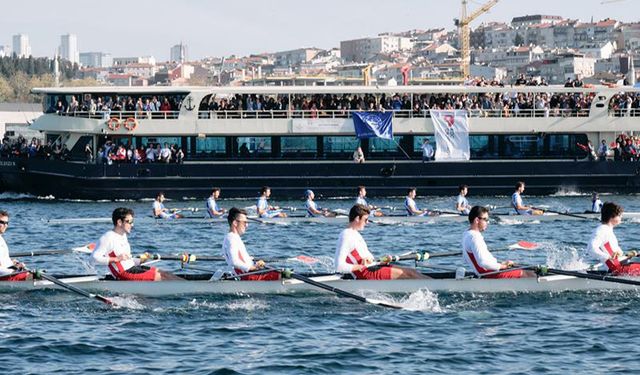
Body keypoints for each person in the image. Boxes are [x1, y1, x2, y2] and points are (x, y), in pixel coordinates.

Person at [334, 204, 427, 280]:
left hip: (373, 268)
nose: (367, 223)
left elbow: (367, 259)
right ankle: (435, 287)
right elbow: (339, 266)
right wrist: (361, 266)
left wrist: (380, 261)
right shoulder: (345, 235)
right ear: (357, 218)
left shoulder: (355, 234)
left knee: (412, 272)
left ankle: (436, 284)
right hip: (366, 274)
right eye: (365, 220)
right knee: (409, 274)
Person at [92, 207, 179, 281]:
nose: (132, 225)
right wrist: (115, 259)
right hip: (123, 274)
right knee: (161, 277)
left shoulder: (123, 235)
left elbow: (126, 261)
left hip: (132, 268)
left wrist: (140, 260)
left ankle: (188, 287)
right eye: (129, 222)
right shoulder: (108, 237)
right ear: (119, 222)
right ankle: (186, 288)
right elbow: (94, 258)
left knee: (163, 273)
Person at [462, 206, 536, 278]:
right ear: (477, 220)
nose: (487, 222)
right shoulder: (475, 237)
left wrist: (500, 264)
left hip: (486, 271)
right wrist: (502, 266)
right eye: (486, 219)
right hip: (490, 273)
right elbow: (483, 262)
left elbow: (466, 259)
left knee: (523, 267)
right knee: (529, 274)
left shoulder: (466, 233)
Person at [222, 207, 281, 280]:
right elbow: (234, 261)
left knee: (280, 271)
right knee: (282, 275)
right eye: (244, 222)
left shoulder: (234, 237)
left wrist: (256, 264)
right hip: (246, 276)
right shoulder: (231, 238)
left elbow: (241, 260)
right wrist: (252, 267)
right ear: (235, 223)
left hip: (247, 273)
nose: (247, 225)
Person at [587, 202, 640, 276]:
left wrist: (630, 254)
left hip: (620, 265)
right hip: (616, 268)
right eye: (619, 215)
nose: (621, 217)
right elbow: (591, 249)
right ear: (612, 216)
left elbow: (616, 254)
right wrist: (608, 257)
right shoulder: (602, 230)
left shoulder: (608, 230)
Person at [0, 210, 31, 281]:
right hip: (3, 276)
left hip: (6, 273)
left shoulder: (1, 238)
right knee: (34, 276)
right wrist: (15, 268)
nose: (5, 225)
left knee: (35, 275)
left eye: (6, 223)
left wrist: (11, 263)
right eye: (1, 222)